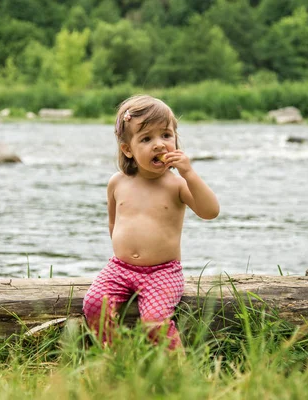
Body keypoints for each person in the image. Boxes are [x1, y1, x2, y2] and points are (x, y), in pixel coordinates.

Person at [82, 94, 220, 350]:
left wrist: (189, 173)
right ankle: (116, 354)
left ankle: (174, 367)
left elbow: (210, 211)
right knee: (92, 303)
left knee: (154, 319)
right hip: (120, 269)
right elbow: (114, 224)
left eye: (166, 135)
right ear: (127, 149)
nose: (159, 145)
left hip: (162, 272)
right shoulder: (118, 182)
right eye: (146, 139)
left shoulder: (177, 184)